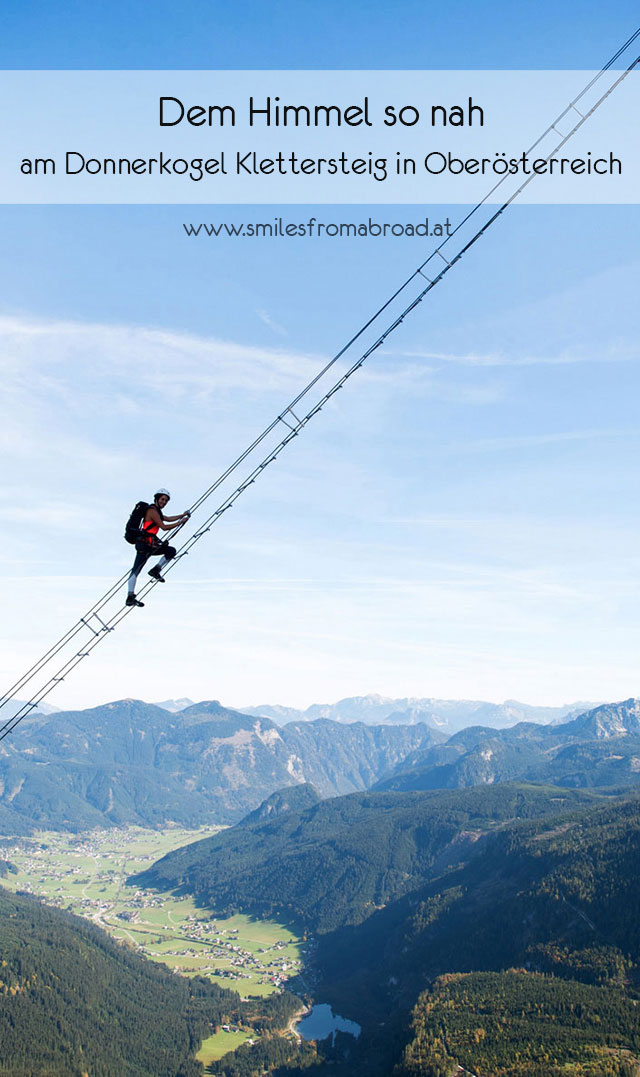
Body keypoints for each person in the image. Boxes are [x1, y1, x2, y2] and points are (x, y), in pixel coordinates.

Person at [126, 489, 190, 607]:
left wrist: (182, 515)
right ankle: (130, 596)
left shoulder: (157, 512)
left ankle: (156, 570)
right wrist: (181, 522)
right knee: (136, 569)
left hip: (150, 544)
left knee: (170, 551)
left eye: (166, 500)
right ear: (157, 499)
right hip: (144, 545)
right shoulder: (152, 511)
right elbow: (164, 527)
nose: (164, 502)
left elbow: (167, 518)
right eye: (162, 499)